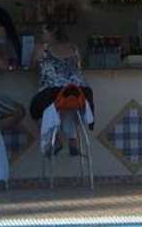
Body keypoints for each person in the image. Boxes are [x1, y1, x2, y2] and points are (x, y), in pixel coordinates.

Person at [29, 21, 94, 155]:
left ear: (52, 33)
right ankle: (73, 141)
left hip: (54, 93)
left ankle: (56, 140)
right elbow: (79, 67)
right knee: (69, 107)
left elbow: (31, 67)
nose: (41, 35)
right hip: (81, 93)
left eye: (43, 32)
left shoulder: (42, 48)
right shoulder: (74, 48)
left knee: (35, 109)